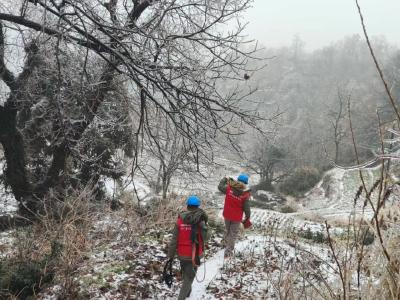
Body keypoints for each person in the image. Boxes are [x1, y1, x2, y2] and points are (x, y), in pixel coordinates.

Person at [167, 195, 208, 300]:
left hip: (182, 253)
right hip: (195, 254)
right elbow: (205, 238)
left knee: (187, 273)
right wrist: (204, 228)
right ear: (198, 206)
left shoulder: (180, 220)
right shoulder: (201, 220)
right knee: (189, 277)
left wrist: (170, 256)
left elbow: (174, 240)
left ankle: (188, 292)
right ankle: (182, 297)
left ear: (188, 206)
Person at [218, 173, 251, 258]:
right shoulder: (245, 194)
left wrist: (225, 179)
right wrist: (247, 217)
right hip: (236, 217)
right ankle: (228, 252)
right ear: (245, 183)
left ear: (238, 180)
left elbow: (220, 187)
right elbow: (247, 208)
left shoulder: (229, 188)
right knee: (233, 234)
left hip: (227, 214)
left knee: (227, 230)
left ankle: (224, 244)